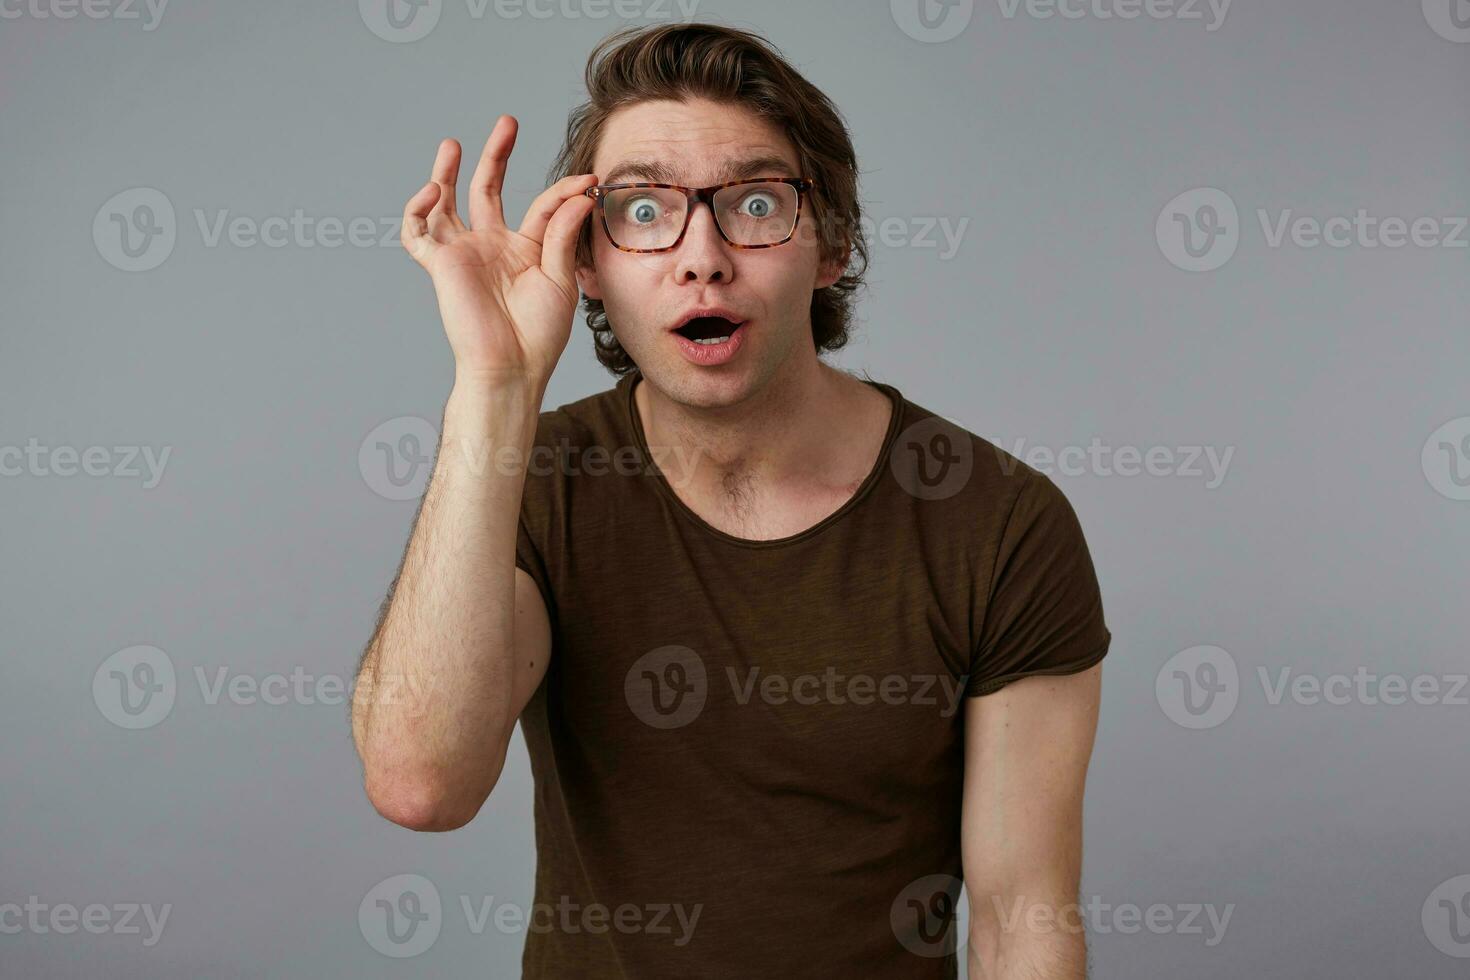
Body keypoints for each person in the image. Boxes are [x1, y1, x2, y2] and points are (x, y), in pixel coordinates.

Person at [351, 22, 1111, 979]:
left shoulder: (999, 524)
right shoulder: (535, 479)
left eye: (757, 204)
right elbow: (422, 783)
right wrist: (495, 390)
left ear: (829, 247)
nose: (701, 255)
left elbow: (1022, 921)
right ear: (585, 262)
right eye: (641, 211)